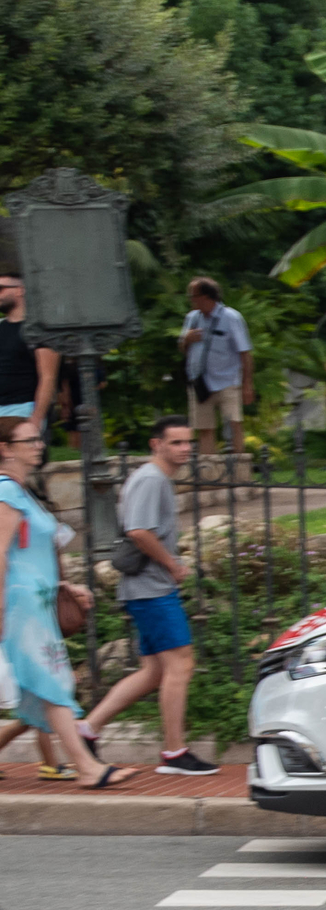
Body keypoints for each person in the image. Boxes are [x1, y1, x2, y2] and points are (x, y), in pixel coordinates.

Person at [0, 417, 132, 788]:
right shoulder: (5, 492)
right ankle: (87, 768)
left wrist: (65, 586)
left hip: (37, 603)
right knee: (51, 681)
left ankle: (85, 767)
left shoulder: (23, 492)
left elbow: (33, 550)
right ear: (5, 449)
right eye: (28, 440)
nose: (39, 445)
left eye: (38, 439)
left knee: (48, 682)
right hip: (20, 605)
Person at [82, 418, 214, 775]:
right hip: (152, 589)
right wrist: (172, 565)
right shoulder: (151, 479)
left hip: (151, 588)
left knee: (154, 670)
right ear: (157, 444)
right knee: (181, 665)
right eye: (176, 443)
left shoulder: (156, 480)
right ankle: (174, 753)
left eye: (188, 442)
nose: (185, 449)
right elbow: (139, 531)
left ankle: (87, 730)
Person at [178, 277, 253, 452]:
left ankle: (238, 471)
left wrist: (247, 384)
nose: (191, 300)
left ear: (205, 297)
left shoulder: (231, 317)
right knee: (205, 428)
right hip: (200, 382)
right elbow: (182, 348)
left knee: (234, 424)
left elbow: (245, 353)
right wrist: (186, 339)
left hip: (228, 381)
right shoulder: (192, 318)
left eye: (193, 296)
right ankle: (208, 474)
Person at [0, 272, 60, 438]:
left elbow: (48, 377)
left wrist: (36, 419)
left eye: (1, 289)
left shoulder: (39, 330)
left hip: (23, 409)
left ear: (20, 290)